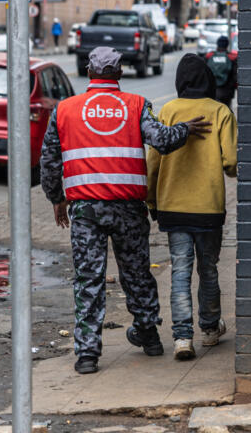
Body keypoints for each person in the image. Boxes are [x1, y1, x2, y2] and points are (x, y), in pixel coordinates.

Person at [40, 46, 211, 375]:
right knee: (136, 273)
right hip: (128, 208)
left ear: (89, 73)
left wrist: (56, 198)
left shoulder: (65, 110)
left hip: (85, 209)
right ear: (119, 74)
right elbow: (161, 140)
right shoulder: (136, 105)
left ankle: (87, 354)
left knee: (89, 279)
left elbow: (48, 160)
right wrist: (185, 130)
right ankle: (148, 336)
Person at [146, 53, 237, 361]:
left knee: (180, 272)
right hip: (208, 207)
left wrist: (150, 200)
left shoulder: (169, 111)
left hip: (173, 205)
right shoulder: (220, 112)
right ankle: (210, 330)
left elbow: (153, 160)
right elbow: (231, 163)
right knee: (208, 270)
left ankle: (183, 338)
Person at [204, 36, 237, 107]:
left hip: (212, 92)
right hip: (227, 93)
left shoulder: (209, 56)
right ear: (227, 45)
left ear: (217, 44)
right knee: (226, 112)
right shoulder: (232, 58)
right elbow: (235, 77)